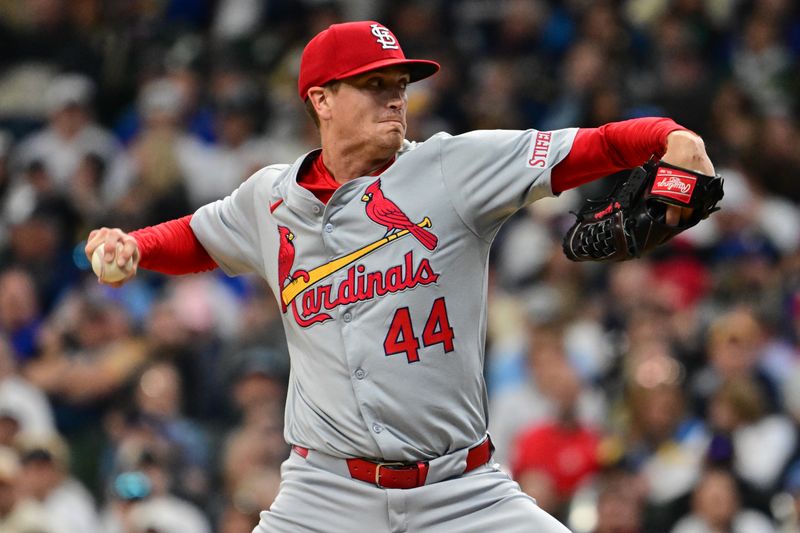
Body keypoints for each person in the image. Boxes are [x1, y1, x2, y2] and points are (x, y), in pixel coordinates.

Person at [86, 20, 716, 533]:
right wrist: (131, 244)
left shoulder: (452, 169)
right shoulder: (268, 199)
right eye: (372, 83)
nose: (395, 95)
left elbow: (598, 145)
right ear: (321, 99)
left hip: (463, 493)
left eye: (400, 82)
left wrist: (673, 136)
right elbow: (195, 238)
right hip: (324, 495)